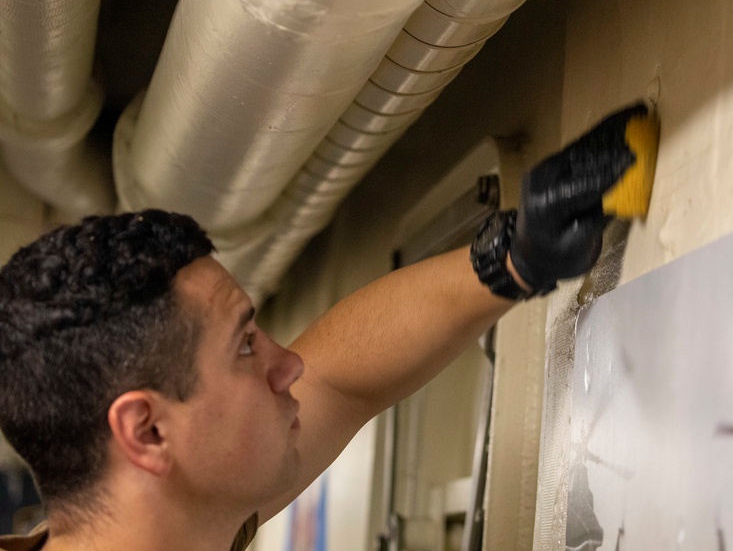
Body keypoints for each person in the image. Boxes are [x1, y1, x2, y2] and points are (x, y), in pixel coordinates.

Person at [0, 115, 637, 551]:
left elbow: (341, 375)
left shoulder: (192, 521)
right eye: (245, 346)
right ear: (148, 431)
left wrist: (517, 259)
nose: (290, 366)